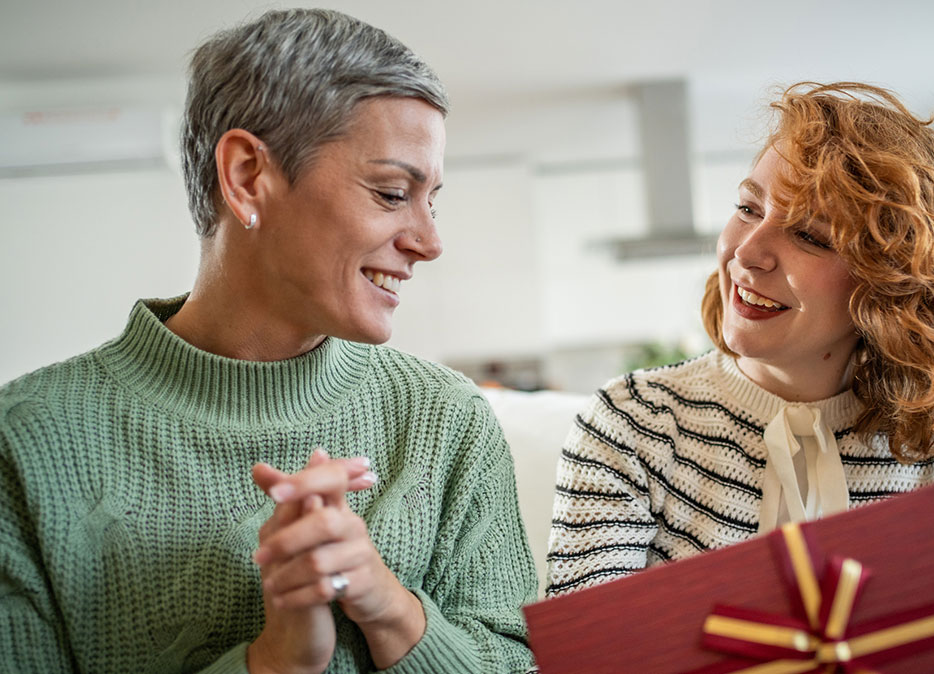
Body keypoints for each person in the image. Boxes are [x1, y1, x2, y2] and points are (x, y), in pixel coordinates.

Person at [0, 9, 536, 673]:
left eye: (433, 201)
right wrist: (277, 658)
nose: (429, 242)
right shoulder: (25, 443)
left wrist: (389, 607)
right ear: (249, 177)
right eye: (393, 192)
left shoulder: (449, 420)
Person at [545, 82, 934, 673]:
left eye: (809, 235)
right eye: (749, 208)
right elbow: (583, 655)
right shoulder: (631, 424)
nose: (746, 253)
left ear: (890, 283)